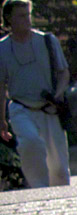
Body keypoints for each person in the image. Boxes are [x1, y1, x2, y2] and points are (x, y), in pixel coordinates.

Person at [0, 0, 70, 188]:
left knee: (59, 168)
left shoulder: (47, 41)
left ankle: (61, 197)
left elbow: (63, 73)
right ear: (9, 19)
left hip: (49, 108)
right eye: (21, 16)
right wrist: (1, 119)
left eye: (27, 15)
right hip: (20, 107)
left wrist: (58, 94)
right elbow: (1, 85)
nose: (27, 19)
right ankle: (39, 190)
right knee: (30, 142)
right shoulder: (2, 49)